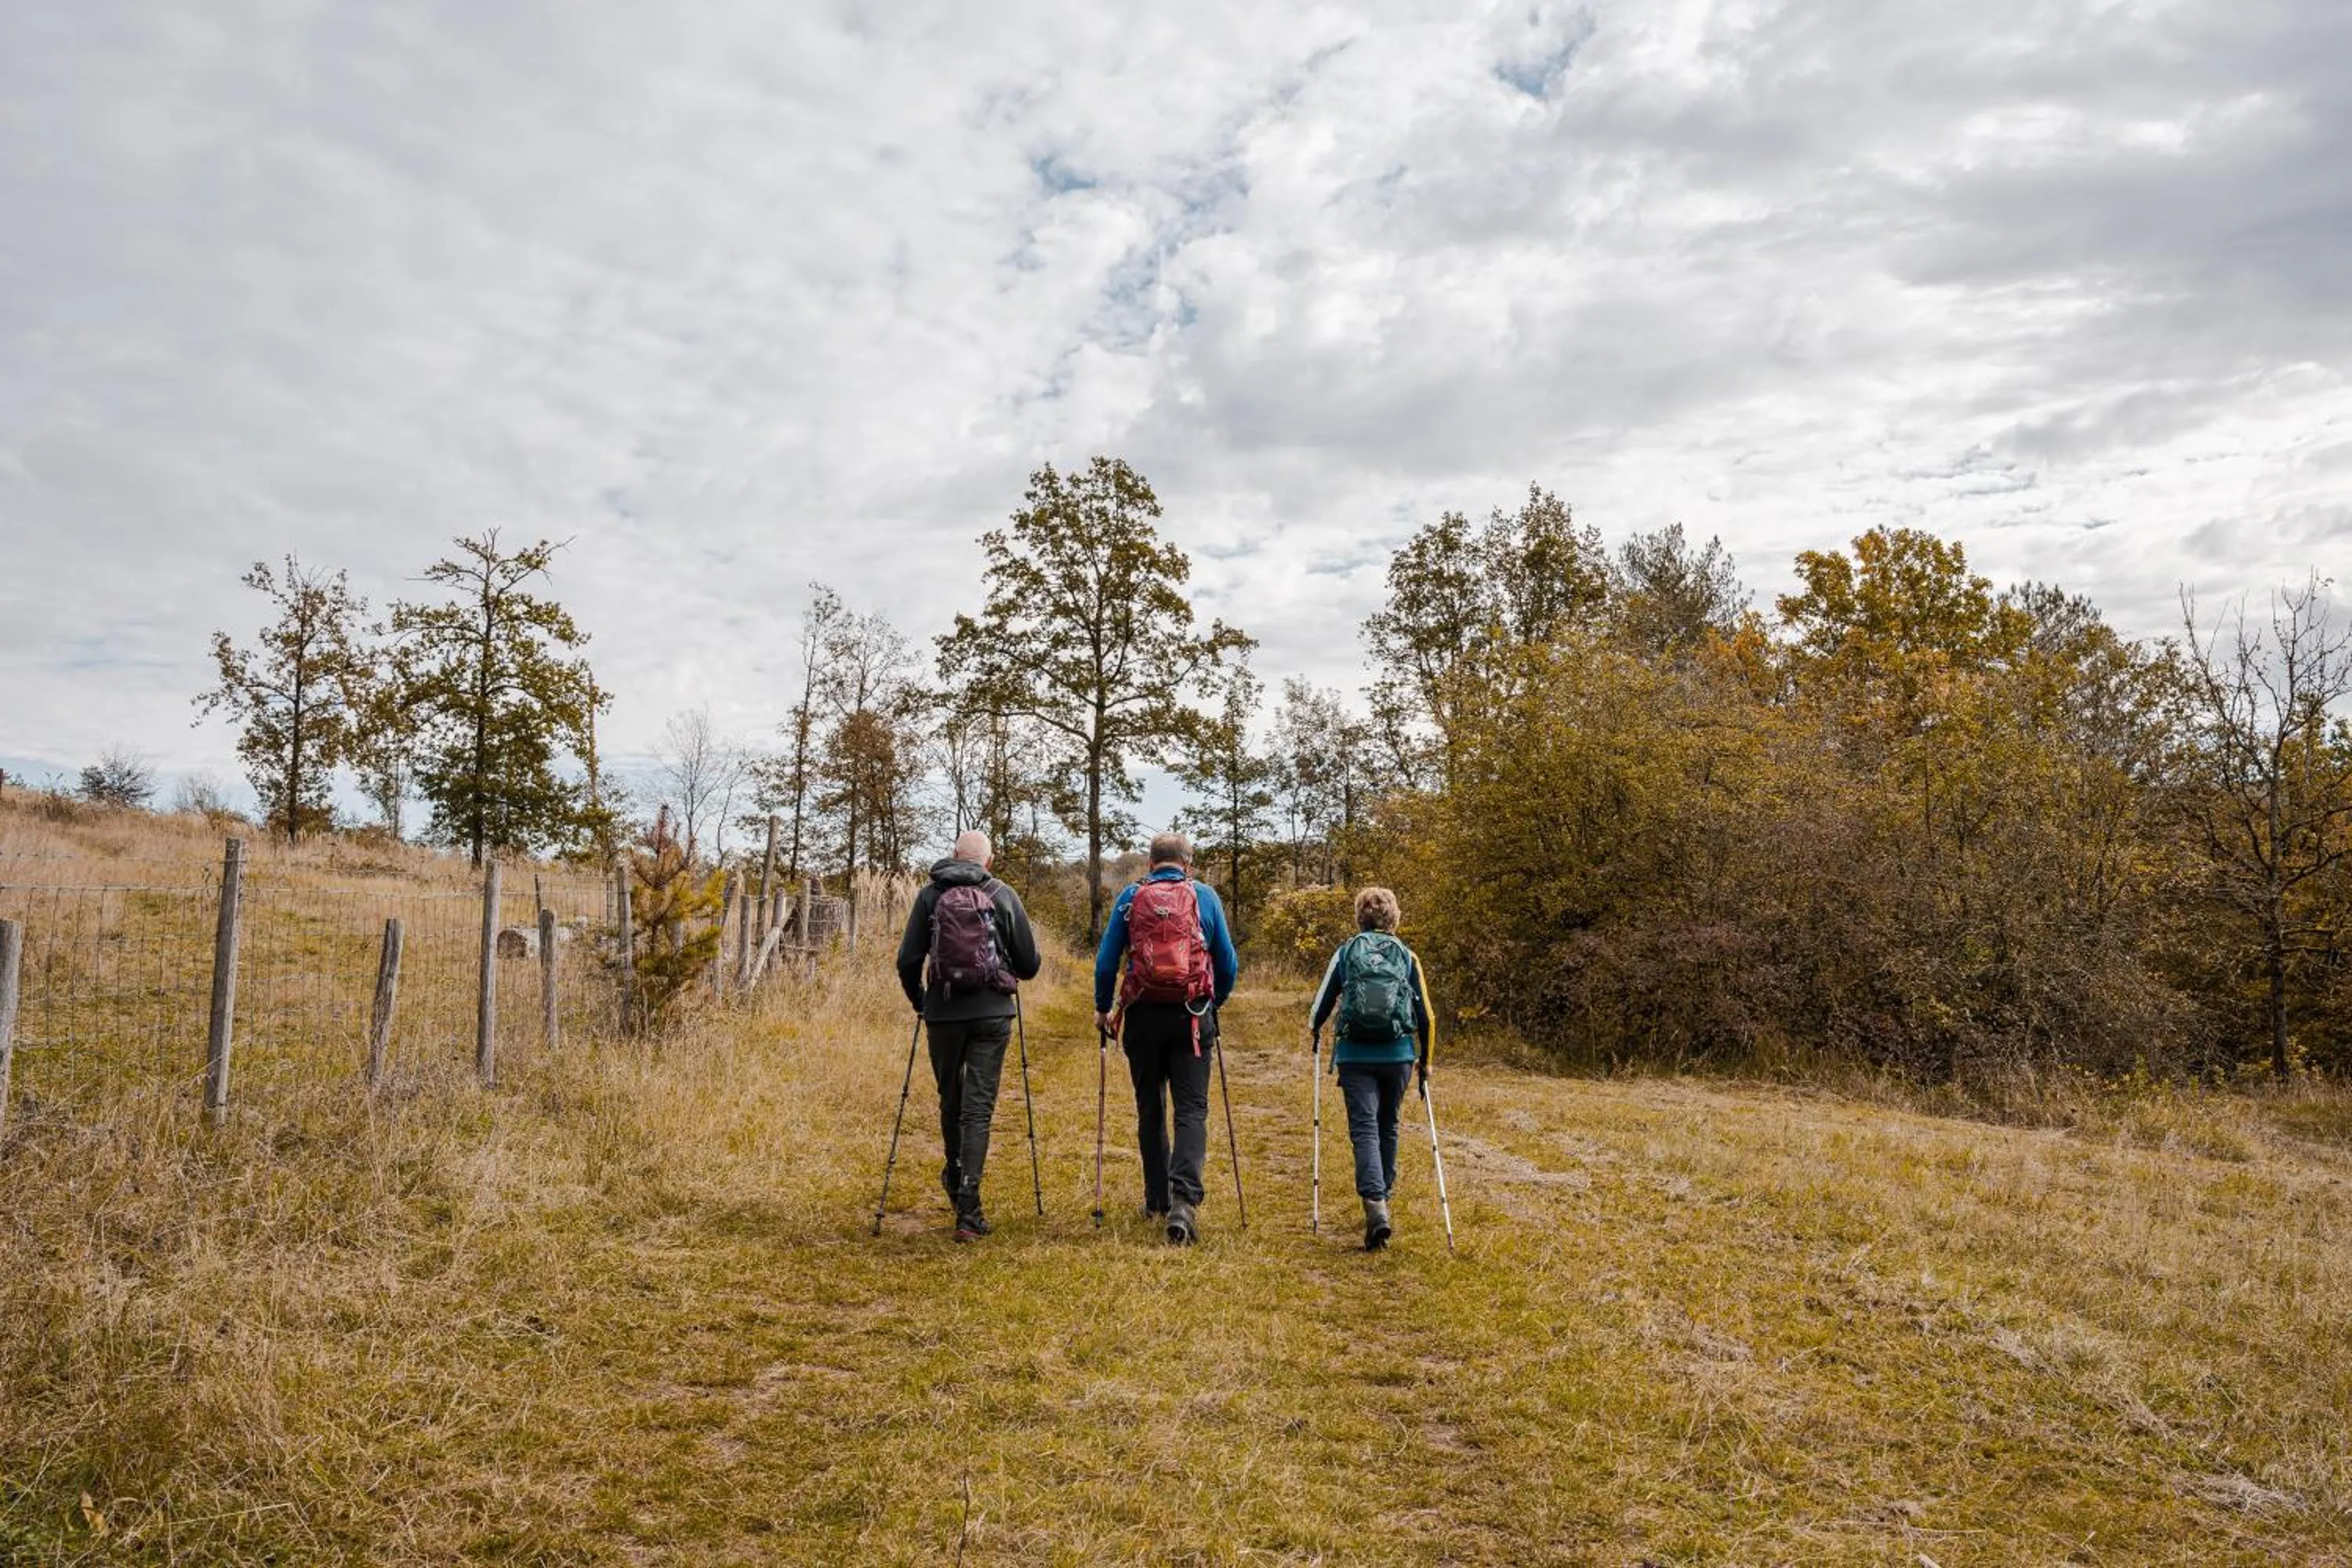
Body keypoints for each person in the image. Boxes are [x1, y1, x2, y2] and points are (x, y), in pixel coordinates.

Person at [1093, 832, 1240, 1244]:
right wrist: (1213, 1002)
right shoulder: (1205, 896)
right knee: (1191, 1109)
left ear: (1150, 863)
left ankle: (1156, 1198)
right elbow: (1228, 962)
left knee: (1150, 1106)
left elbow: (1106, 961)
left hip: (1142, 1015)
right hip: (1192, 1017)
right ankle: (1184, 1203)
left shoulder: (1130, 898)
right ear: (1188, 864)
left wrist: (1103, 1007)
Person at [896, 829, 1043, 1241]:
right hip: (992, 1014)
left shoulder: (930, 895)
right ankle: (969, 1209)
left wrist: (921, 1001)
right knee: (978, 1110)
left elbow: (907, 960)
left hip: (943, 1013)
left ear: (954, 855)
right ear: (988, 861)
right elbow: (1029, 965)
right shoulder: (1002, 894)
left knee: (951, 1099)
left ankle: (955, 1176)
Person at [1308, 887, 1434, 1250]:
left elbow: (1321, 1005)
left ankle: (1375, 1204)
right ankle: (1384, 1199)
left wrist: (1315, 1031)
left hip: (1355, 1055)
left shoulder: (1347, 952)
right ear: (1394, 917)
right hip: (1398, 1056)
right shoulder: (1407, 955)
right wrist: (1426, 1062)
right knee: (1388, 1126)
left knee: (1364, 1129)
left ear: (1359, 917)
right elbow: (1426, 1015)